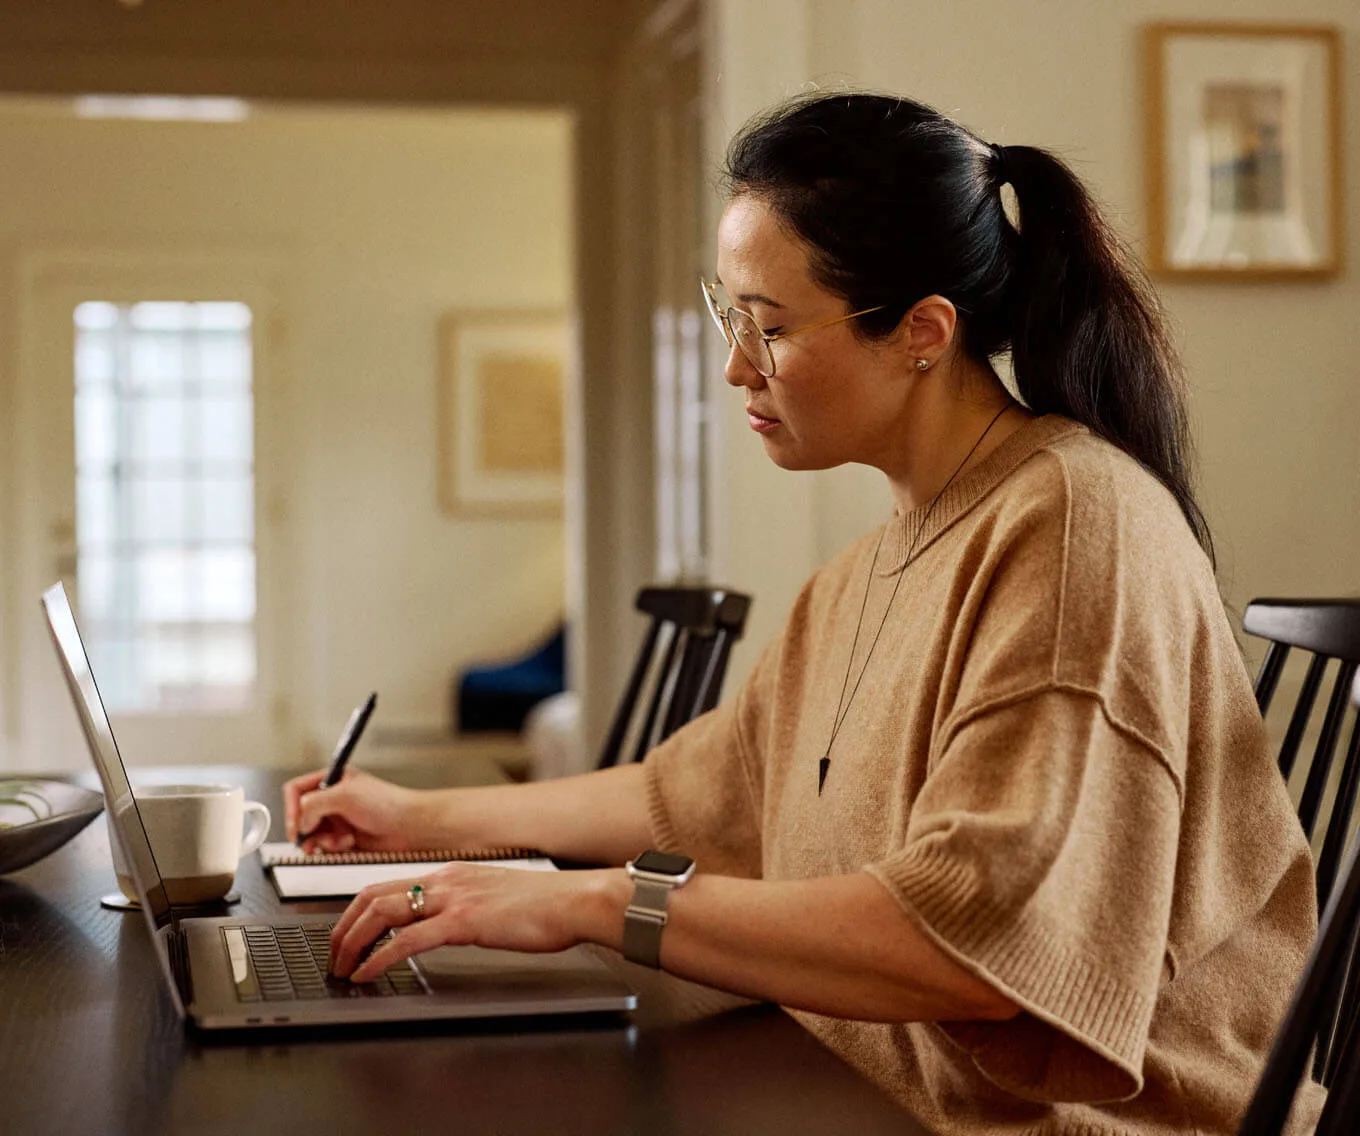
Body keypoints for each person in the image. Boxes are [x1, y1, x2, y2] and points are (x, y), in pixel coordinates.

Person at [284, 92, 1324, 1134]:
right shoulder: (868, 566)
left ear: (921, 331)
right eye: (728, 314)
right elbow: (693, 793)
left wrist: (596, 901)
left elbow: (971, 941)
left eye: (769, 327)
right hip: (858, 1082)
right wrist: (418, 819)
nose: (738, 364)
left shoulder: (1074, 526)